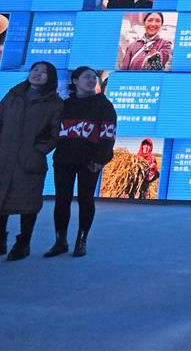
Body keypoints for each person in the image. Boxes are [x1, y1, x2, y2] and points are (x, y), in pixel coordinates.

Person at [0, 62, 63, 261]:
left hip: (28, 161)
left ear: (51, 78)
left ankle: (23, 243)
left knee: (28, 204)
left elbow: (56, 134)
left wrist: (38, 151)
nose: (38, 74)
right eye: (35, 70)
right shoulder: (13, 95)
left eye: (44, 72)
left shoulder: (55, 103)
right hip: (2, 158)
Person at [44, 67, 116, 258]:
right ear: (75, 81)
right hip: (64, 159)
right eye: (87, 77)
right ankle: (60, 241)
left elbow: (108, 135)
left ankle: (81, 241)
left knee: (86, 199)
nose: (92, 80)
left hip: (90, 161)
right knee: (62, 200)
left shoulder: (104, 105)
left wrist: (100, 159)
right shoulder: (64, 105)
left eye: (94, 77)